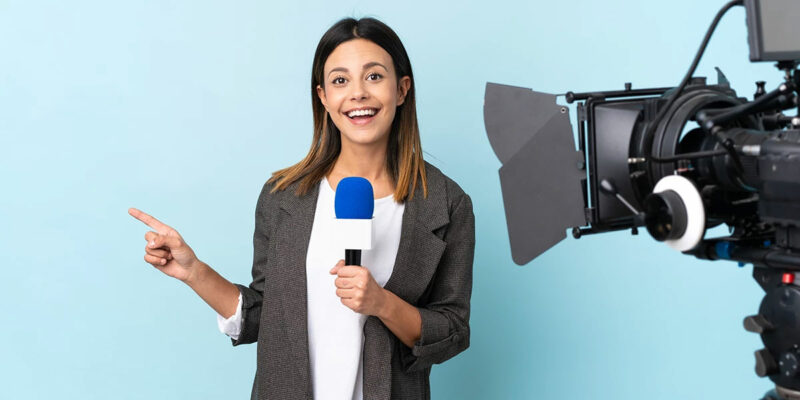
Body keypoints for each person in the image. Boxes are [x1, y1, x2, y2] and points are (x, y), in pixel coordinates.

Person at [129, 17, 474, 400]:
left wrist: (382, 303)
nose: (358, 93)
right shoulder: (283, 196)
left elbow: (453, 331)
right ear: (323, 97)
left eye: (374, 76)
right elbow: (264, 317)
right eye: (340, 80)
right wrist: (194, 272)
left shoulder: (445, 203)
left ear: (402, 89)